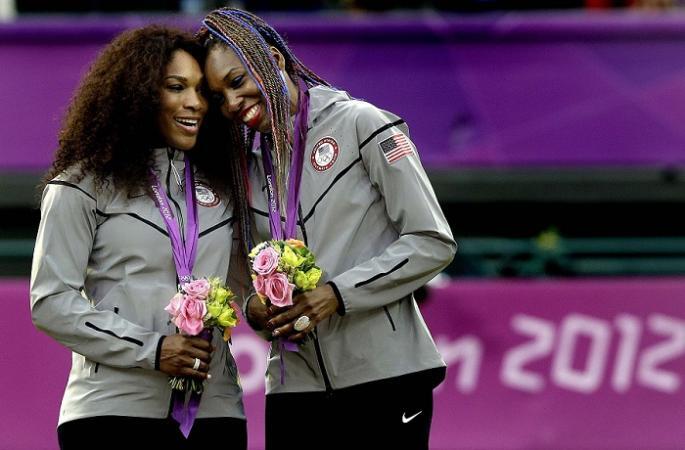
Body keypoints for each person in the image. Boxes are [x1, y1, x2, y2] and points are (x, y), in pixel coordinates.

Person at [199, 8, 457, 450]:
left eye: (237, 81)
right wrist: (255, 308)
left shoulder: (361, 123)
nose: (233, 103)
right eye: (219, 97)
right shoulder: (245, 167)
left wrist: (336, 295)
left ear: (274, 60)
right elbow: (244, 272)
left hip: (385, 374)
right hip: (294, 387)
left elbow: (432, 242)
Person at [30, 26, 248, 449]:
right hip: (112, 412)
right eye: (176, 87)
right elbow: (51, 302)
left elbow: (243, 284)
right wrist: (152, 350)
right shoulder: (81, 185)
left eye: (202, 91)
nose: (195, 103)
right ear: (138, 94)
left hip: (215, 411)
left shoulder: (225, 185)